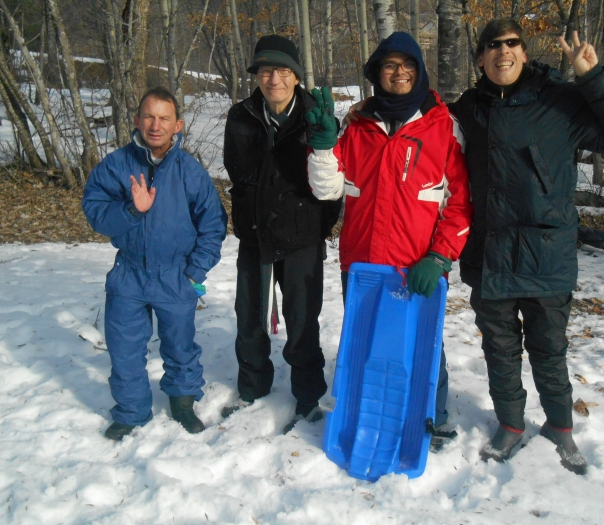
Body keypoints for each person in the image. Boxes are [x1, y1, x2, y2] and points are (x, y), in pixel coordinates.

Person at [448, 19, 604, 474]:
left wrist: (594, 79)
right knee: (499, 350)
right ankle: (511, 425)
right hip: (491, 253)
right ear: (480, 58)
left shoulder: (561, 100)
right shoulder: (469, 110)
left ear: (524, 49)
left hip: (546, 253)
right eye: (493, 45)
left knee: (549, 350)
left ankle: (560, 427)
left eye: (512, 43)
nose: (503, 52)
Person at [306, 31, 474, 445]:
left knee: (422, 343)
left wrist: (440, 256)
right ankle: (365, 410)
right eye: (389, 65)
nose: (398, 73)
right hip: (362, 262)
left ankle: (432, 413)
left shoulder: (443, 127)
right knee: (363, 339)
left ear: (419, 72)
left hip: (416, 263)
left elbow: (460, 203)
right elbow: (327, 189)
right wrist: (324, 147)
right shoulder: (357, 125)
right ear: (376, 73)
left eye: (407, 65)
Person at [82, 86, 228, 441]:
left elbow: (213, 225)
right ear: (136, 120)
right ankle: (131, 412)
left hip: (174, 274)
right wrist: (132, 210)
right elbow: (96, 213)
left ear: (177, 124)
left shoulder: (190, 171)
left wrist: (193, 272)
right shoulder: (117, 165)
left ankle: (181, 404)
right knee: (124, 348)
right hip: (128, 274)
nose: (155, 124)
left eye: (164, 118)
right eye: (148, 116)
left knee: (180, 345)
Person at [221, 35, 342, 433]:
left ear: (296, 77)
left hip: (301, 236)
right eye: (266, 71)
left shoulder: (317, 116)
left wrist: (314, 229)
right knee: (249, 316)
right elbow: (237, 173)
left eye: (283, 71)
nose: (274, 79)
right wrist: (246, 215)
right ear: (257, 75)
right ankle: (253, 386)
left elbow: (332, 188)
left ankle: (307, 396)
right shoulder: (241, 117)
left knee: (302, 319)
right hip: (255, 234)